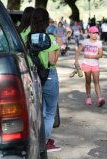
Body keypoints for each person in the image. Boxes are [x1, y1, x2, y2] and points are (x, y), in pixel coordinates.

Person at [30, 8, 62, 151]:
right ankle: (44, 142)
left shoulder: (27, 37)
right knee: (50, 111)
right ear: (46, 21)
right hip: (49, 75)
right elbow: (53, 61)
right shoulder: (49, 38)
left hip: (33, 76)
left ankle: (37, 140)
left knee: (40, 111)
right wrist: (59, 47)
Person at [74, 26, 105, 106]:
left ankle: (99, 98)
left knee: (96, 81)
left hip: (95, 65)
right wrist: (76, 61)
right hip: (86, 64)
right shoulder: (85, 41)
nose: (95, 35)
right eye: (93, 33)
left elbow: (101, 54)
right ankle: (88, 98)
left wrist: (91, 56)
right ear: (89, 33)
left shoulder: (99, 43)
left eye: (96, 33)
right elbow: (78, 51)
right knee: (88, 81)